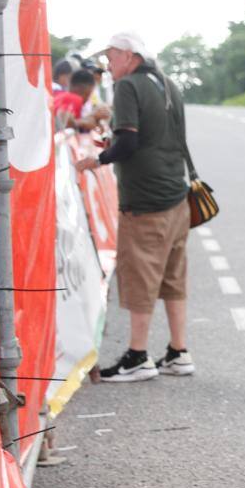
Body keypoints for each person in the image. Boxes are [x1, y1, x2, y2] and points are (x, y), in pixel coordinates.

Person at [73, 31, 195, 382]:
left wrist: (97, 160)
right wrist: (114, 143)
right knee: (173, 278)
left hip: (145, 201)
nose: (108, 65)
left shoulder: (127, 87)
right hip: (177, 195)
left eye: (111, 57)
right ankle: (178, 352)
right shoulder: (168, 84)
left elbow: (128, 143)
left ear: (129, 56)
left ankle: (138, 355)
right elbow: (153, 138)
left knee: (140, 277)